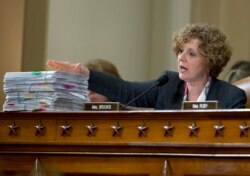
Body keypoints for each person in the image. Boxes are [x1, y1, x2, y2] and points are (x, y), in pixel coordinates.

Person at [47, 23, 247, 109]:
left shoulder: (231, 96)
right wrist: (84, 73)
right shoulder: (167, 85)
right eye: (180, 51)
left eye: (191, 53)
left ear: (210, 61)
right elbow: (126, 91)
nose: (181, 58)